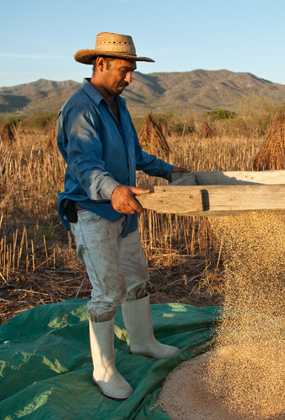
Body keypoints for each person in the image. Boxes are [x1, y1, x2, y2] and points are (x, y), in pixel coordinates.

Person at [56, 32, 190, 401]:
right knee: (108, 291)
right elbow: (83, 164)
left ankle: (143, 342)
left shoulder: (118, 105)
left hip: (125, 210)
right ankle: (103, 368)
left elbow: (137, 154)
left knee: (137, 278)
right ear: (100, 65)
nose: (129, 78)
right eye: (124, 70)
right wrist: (112, 189)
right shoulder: (81, 109)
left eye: (132, 71)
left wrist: (169, 170)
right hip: (95, 210)